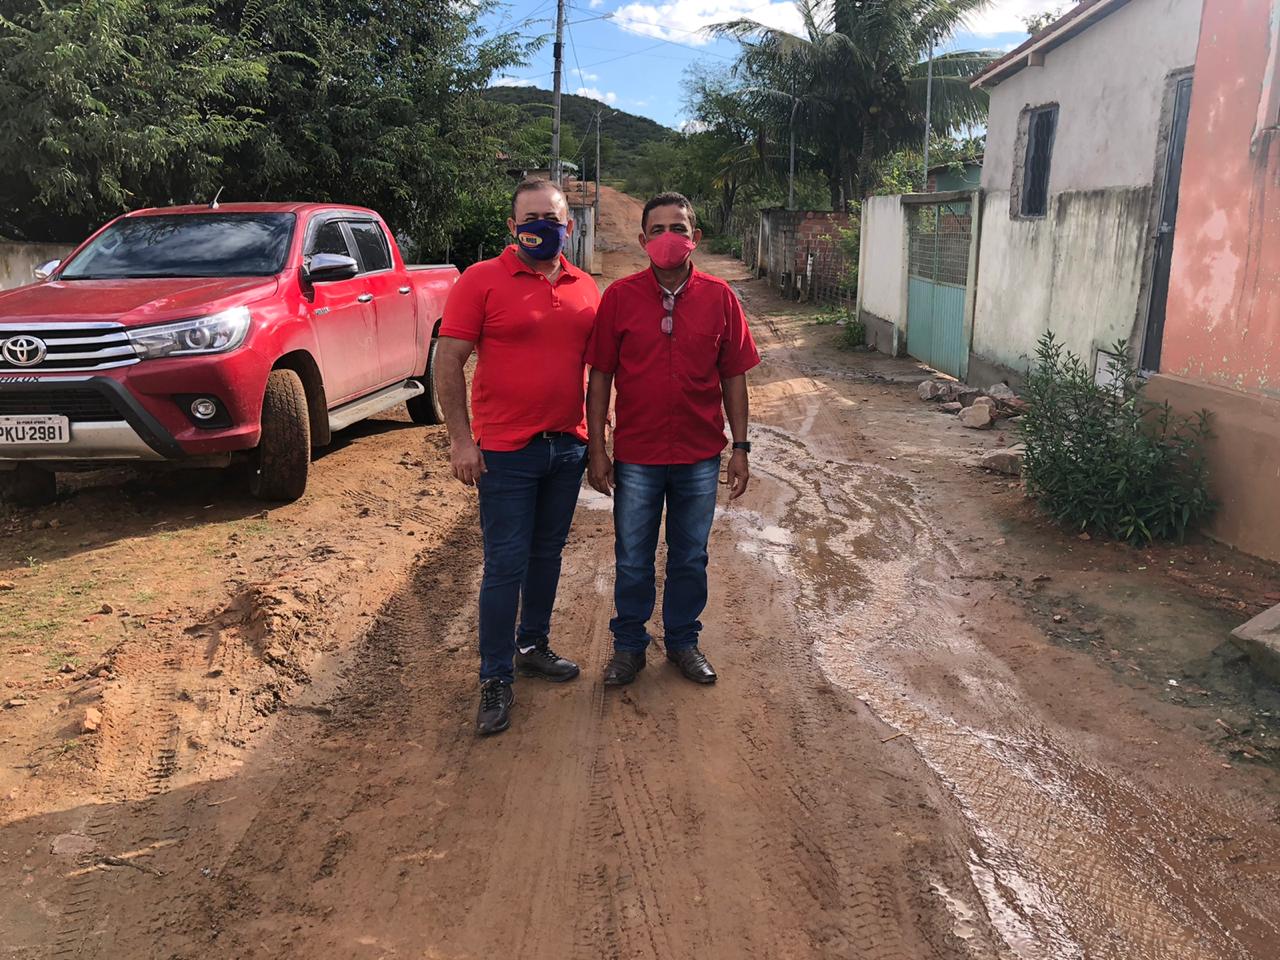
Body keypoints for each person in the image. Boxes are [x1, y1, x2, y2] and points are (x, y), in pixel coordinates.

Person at [436, 179, 601, 735]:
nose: (540, 228)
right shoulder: (480, 280)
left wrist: (598, 439)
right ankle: (495, 675)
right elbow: (448, 361)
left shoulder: (586, 287)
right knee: (506, 563)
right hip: (505, 452)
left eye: (551, 219)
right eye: (529, 219)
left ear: (568, 226)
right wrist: (461, 440)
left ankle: (532, 646)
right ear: (511, 227)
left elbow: (600, 370)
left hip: (567, 446)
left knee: (547, 554)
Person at [585, 191, 760, 687]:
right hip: (637, 456)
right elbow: (600, 376)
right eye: (658, 230)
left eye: (678, 228)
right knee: (633, 558)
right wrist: (597, 450)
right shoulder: (619, 298)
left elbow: (734, 376)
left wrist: (740, 448)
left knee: (689, 557)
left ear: (695, 238)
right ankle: (628, 647)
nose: (668, 238)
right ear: (643, 241)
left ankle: (683, 641)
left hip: (698, 456)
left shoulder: (720, 298)